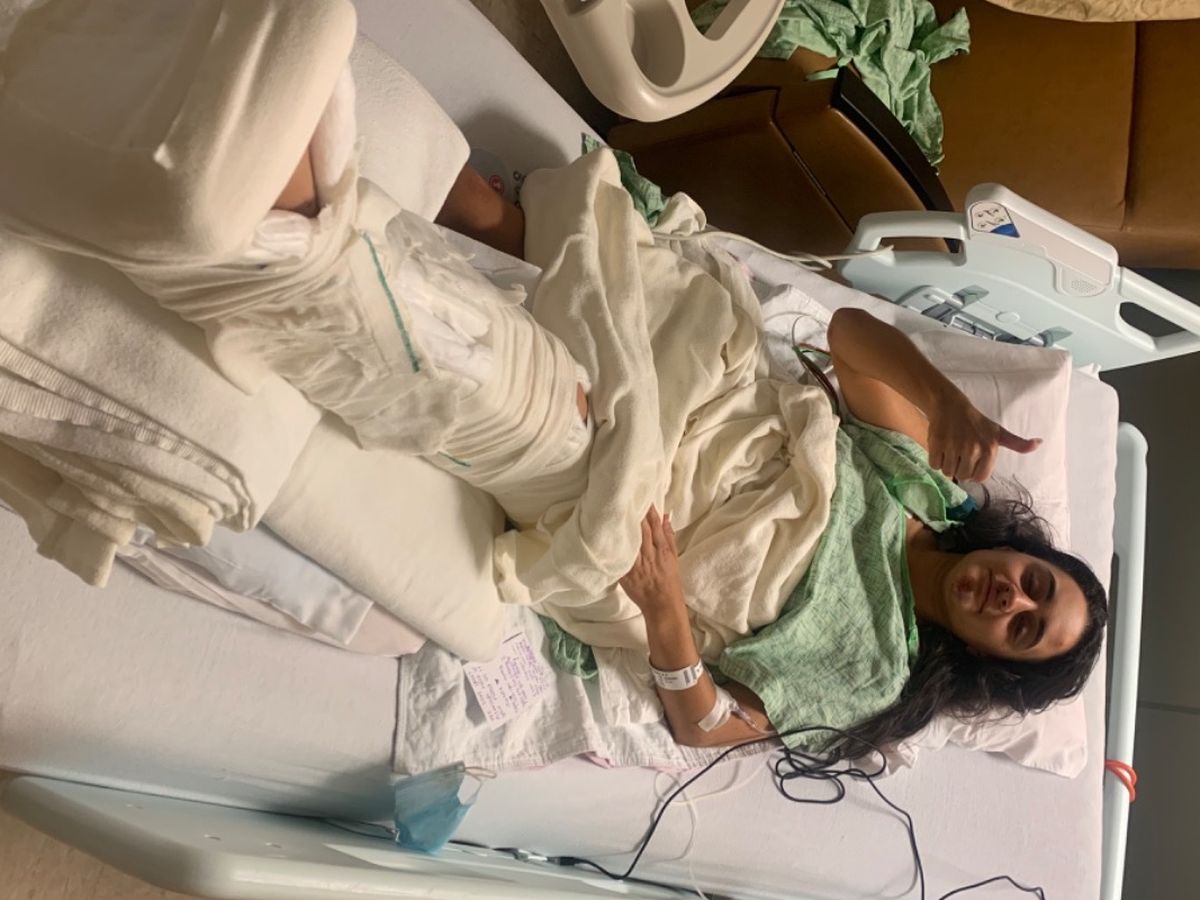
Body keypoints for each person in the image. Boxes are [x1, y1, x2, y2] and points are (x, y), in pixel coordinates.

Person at [618, 307, 1107, 755]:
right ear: (1016, 550)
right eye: (1034, 583)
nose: (1011, 598)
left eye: (1022, 627)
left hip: (673, 514)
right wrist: (943, 402)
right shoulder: (932, 493)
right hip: (717, 415)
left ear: (987, 656)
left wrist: (663, 605)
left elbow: (705, 726)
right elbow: (847, 334)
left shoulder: (875, 673)